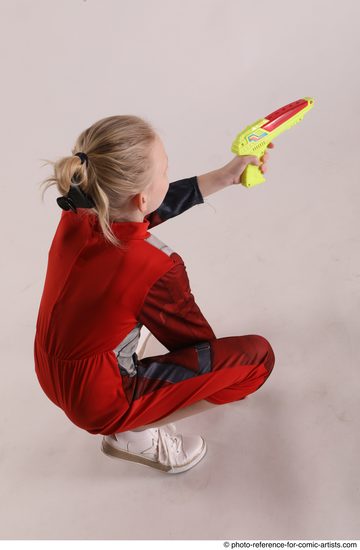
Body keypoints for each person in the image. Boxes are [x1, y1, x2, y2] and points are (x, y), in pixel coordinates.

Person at [34, 115, 275, 474]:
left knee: (127, 303)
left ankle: (126, 407)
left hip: (50, 371)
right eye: (165, 171)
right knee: (256, 361)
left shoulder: (80, 211)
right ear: (143, 196)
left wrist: (225, 176)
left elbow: (138, 212)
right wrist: (223, 377)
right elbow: (194, 345)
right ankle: (130, 432)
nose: (168, 177)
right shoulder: (156, 266)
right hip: (101, 403)